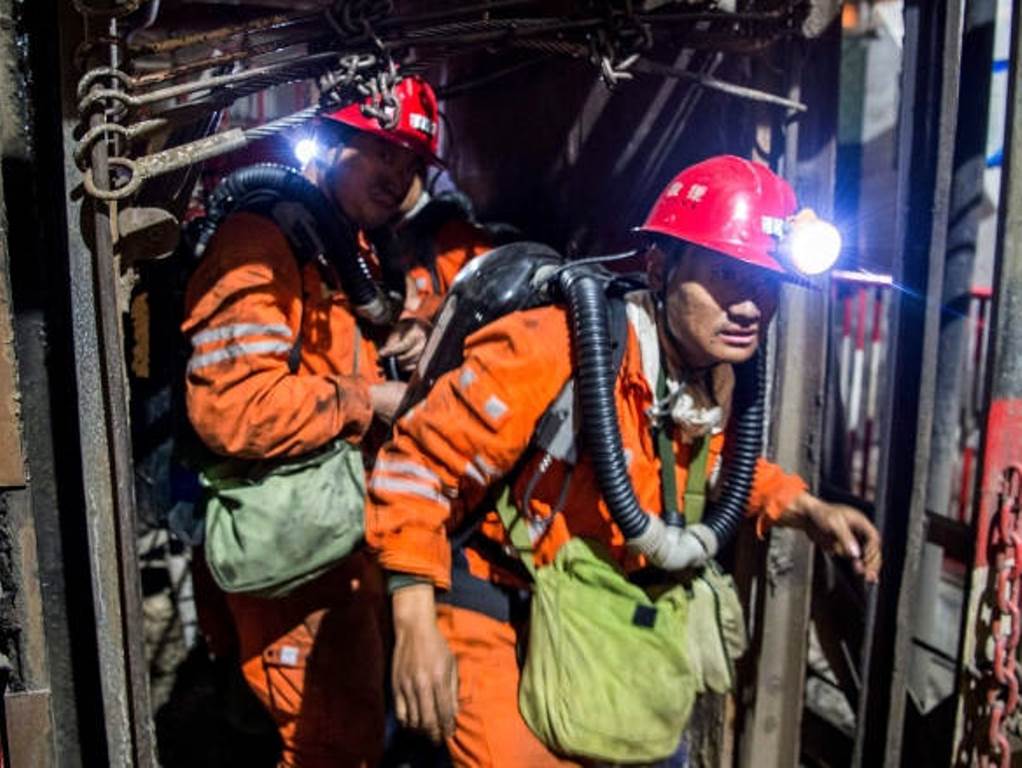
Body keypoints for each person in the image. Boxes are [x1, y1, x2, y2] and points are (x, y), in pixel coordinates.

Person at [365, 155, 883, 766]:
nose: (749, 307)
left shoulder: (706, 372)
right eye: (725, 275)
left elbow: (714, 460)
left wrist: (802, 506)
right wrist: (415, 619)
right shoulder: (555, 345)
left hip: (602, 610)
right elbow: (419, 466)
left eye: (765, 285)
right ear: (660, 267)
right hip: (504, 604)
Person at [182, 75, 443, 767]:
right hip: (289, 565)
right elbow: (233, 410)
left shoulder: (343, 244)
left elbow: (334, 347)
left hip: (335, 544)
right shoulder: (257, 241)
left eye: (412, 162)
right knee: (322, 747)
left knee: (348, 738)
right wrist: (370, 402)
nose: (400, 175)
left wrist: (402, 335)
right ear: (329, 140)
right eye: (383, 151)